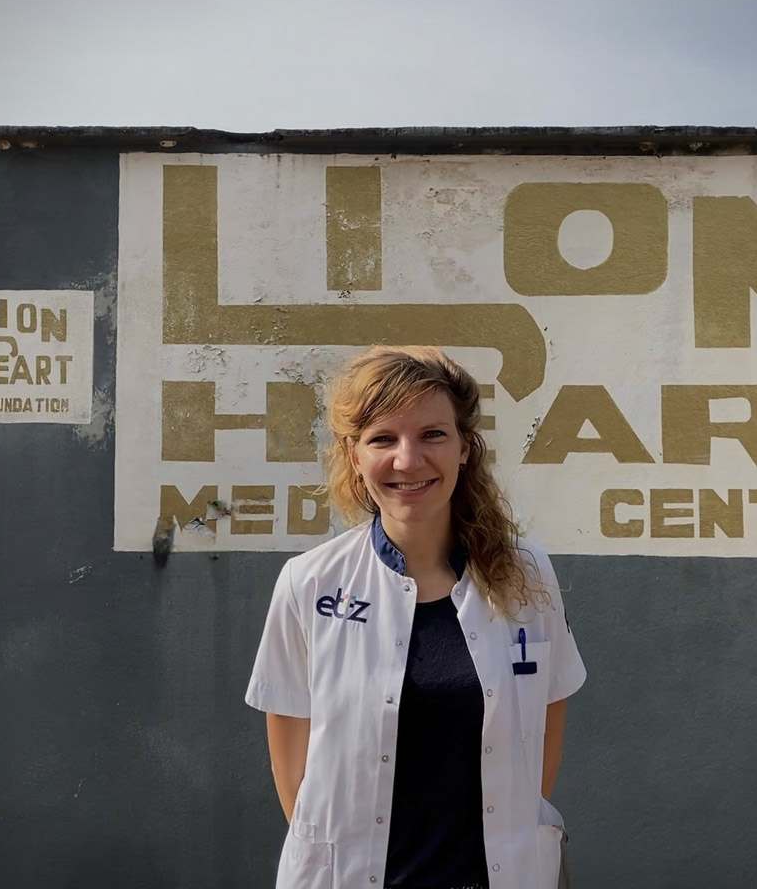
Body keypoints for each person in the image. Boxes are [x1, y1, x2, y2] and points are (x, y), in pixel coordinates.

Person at [245, 345, 586, 889]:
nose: (408, 460)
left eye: (432, 434)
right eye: (383, 439)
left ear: (465, 448)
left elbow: (540, 747)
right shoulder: (308, 584)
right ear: (355, 455)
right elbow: (295, 779)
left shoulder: (527, 576)